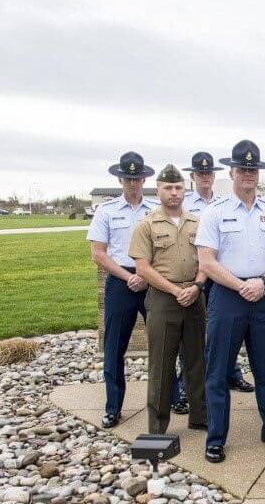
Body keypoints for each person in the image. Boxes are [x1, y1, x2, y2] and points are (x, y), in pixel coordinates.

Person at [195, 140, 265, 463]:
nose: (248, 175)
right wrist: (242, 286)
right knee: (218, 370)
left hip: (263, 292)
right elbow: (206, 261)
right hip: (228, 295)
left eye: (253, 170)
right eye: (243, 169)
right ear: (232, 172)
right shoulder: (216, 212)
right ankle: (216, 438)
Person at [128, 164, 208, 434]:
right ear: (158, 190)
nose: (174, 193)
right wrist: (176, 291)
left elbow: (207, 260)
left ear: (185, 189)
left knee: (197, 361)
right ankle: (158, 426)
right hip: (164, 299)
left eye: (178, 188)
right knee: (161, 365)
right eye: (167, 188)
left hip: (195, 297)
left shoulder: (198, 222)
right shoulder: (146, 225)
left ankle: (200, 416)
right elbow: (143, 268)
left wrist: (197, 286)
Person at [87, 151, 158, 428]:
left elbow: (161, 249)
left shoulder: (154, 210)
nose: (133, 182)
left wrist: (144, 275)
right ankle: (113, 407)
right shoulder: (106, 211)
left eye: (137, 178)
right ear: (120, 179)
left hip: (150, 279)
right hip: (120, 280)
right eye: (128, 178)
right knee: (114, 347)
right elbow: (99, 253)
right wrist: (128, 277)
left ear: (144, 179)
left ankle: (173, 397)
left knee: (164, 342)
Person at [182, 151, 253, 396]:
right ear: (192, 176)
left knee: (224, 330)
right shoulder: (183, 204)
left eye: (208, 173)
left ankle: (233, 374)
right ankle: (187, 385)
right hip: (193, 272)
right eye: (200, 173)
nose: (205, 177)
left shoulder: (223, 203)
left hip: (219, 274)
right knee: (193, 333)